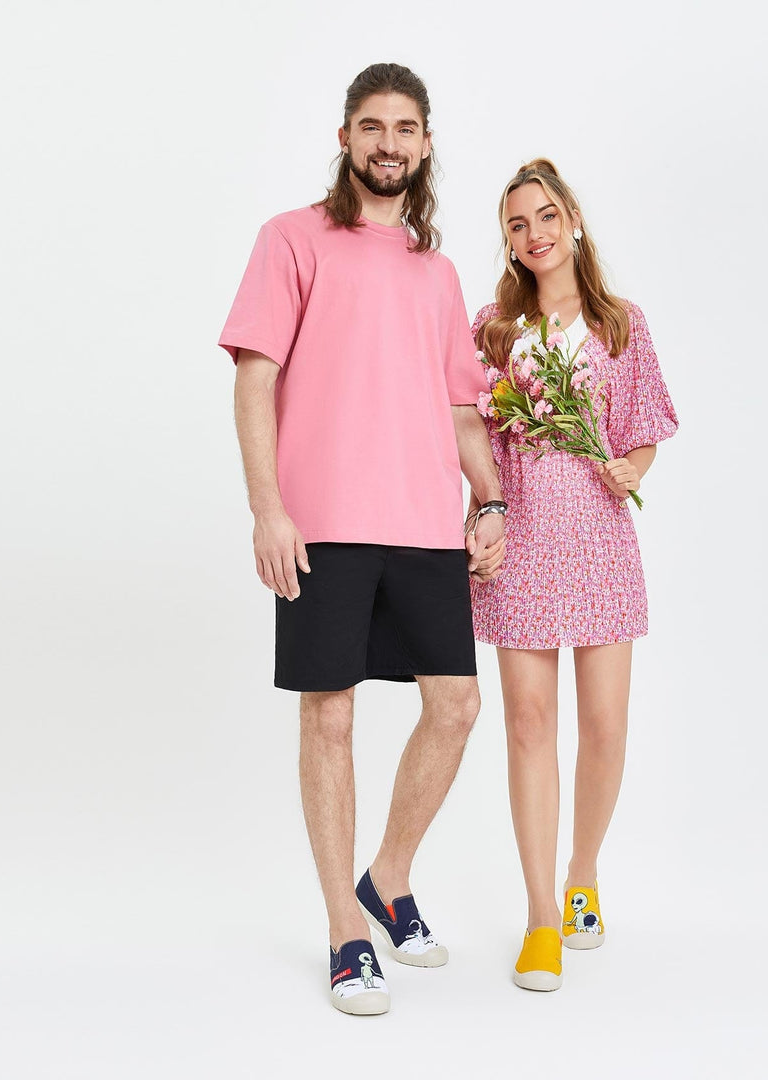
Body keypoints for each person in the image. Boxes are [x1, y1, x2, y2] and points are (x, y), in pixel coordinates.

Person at [218, 63, 506, 1016]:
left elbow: (462, 409)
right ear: (345, 137)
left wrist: (492, 501)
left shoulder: (437, 271)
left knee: (457, 706)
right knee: (330, 717)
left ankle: (387, 876)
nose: (390, 143)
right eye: (373, 125)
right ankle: (346, 929)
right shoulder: (291, 238)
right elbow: (254, 378)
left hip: (424, 527)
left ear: (425, 145)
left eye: (406, 127)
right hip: (325, 523)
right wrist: (267, 507)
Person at [468, 159, 678, 991]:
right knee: (528, 724)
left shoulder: (622, 324)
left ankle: (581, 873)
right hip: (521, 540)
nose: (535, 234)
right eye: (517, 224)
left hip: (599, 543)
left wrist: (632, 468)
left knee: (605, 726)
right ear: (509, 241)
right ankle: (540, 918)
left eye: (546, 216)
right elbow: (475, 435)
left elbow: (644, 427)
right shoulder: (493, 328)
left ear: (574, 220)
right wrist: (483, 513)